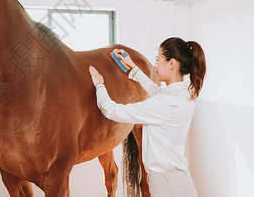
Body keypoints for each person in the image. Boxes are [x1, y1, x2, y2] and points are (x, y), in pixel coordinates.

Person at [88, 37, 206, 197]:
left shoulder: (165, 103)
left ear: (172, 63)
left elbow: (112, 111)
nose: (155, 65)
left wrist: (99, 85)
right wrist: (133, 67)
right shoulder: (183, 95)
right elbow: (155, 91)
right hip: (178, 181)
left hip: (167, 186)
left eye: (158, 60)